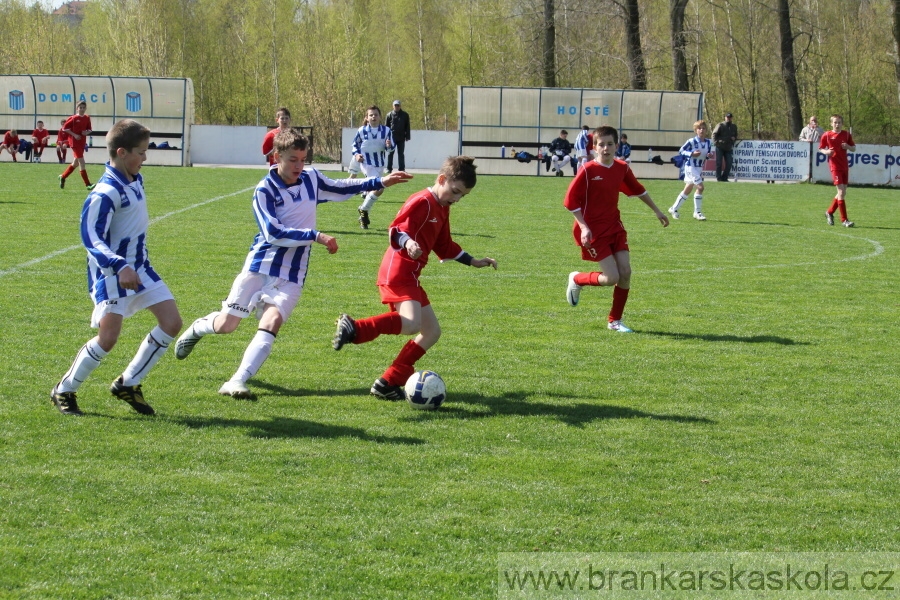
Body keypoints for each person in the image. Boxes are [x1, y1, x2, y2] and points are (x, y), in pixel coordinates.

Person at [174, 128, 413, 399]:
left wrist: (381, 181)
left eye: (303, 159)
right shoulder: (264, 190)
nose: (299, 166)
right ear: (277, 157)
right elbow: (272, 233)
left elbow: (340, 186)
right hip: (261, 265)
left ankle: (236, 381)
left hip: (294, 272)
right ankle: (197, 328)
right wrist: (315, 235)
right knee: (227, 326)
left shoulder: (310, 178)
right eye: (292, 160)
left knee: (272, 321)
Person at [332, 156, 498, 400]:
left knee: (431, 332)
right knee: (410, 323)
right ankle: (355, 328)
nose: (457, 198)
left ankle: (388, 382)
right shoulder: (422, 200)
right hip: (398, 269)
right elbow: (396, 229)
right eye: (455, 191)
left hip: (411, 274)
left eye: (462, 195)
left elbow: (444, 245)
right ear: (442, 180)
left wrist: (473, 261)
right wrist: (408, 243)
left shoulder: (442, 207)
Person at [50, 119, 182, 416]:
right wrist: (120, 265)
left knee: (172, 322)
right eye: (141, 152)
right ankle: (64, 389)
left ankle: (128, 382)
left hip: (141, 268)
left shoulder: (135, 179)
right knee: (108, 338)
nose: (145, 158)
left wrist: (133, 263)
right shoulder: (104, 192)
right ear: (121, 152)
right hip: (112, 274)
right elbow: (91, 237)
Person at [563, 125, 669, 333]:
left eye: (610, 144)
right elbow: (570, 202)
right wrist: (584, 227)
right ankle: (577, 278)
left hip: (614, 227)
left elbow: (637, 189)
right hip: (593, 231)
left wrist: (657, 211)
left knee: (626, 272)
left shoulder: (622, 168)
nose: (605, 148)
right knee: (611, 278)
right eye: (601, 144)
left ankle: (615, 321)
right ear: (594, 147)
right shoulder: (587, 171)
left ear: (617, 145)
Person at [352, 105, 394, 229]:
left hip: (379, 164)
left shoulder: (386, 131)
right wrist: (357, 155)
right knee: (379, 187)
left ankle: (363, 213)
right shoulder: (362, 131)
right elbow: (355, 145)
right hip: (367, 163)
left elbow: (391, 149)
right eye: (371, 115)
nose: (373, 117)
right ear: (367, 117)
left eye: (376, 114)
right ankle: (364, 209)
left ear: (380, 117)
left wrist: (389, 145)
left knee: (375, 189)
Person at [668, 120, 714, 221]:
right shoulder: (691, 141)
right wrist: (691, 153)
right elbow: (681, 151)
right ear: (696, 130)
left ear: (706, 130)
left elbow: (707, 155)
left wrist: (708, 155)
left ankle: (673, 208)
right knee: (700, 187)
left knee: (688, 189)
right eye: (699, 128)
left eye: (703, 128)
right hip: (691, 167)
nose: (702, 130)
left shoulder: (708, 142)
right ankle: (697, 212)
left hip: (699, 168)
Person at [818, 114, 856, 228]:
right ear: (831, 123)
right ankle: (844, 220)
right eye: (835, 122)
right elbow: (820, 148)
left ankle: (829, 212)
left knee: (843, 193)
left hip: (844, 166)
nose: (837, 124)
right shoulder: (827, 135)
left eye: (839, 122)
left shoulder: (846, 134)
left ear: (842, 124)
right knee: (840, 192)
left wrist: (847, 147)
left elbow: (854, 148)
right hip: (835, 167)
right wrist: (827, 152)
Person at [59, 101, 95, 190]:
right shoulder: (73, 118)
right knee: (82, 162)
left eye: (83, 107)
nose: (82, 109)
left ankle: (63, 177)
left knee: (75, 163)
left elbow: (89, 129)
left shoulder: (87, 117)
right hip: (74, 143)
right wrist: (74, 135)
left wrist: (86, 132)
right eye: (80, 107)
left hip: (82, 142)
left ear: (85, 108)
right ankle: (87, 184)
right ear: (77, 108)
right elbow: (64, 128)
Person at [385, 100, 411, 172]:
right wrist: (386, 137)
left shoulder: (405, 115)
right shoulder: (389, 115)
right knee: (390, 153)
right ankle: (389, 168)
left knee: (401, 154)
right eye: (395, 105)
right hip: (391, 138)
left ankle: (402, 169)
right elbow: (386, 127)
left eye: (398, 105)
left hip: (401, 137)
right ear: (393, 106)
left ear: (400, 106)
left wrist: (407, 136)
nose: (396, 107)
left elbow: (407, 126)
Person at [712, 112, 738, 181]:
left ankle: (724, 177)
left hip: (728, 147)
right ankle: (719, 177)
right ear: (725, 117)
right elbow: (714, 134)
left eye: (730, 117)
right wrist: (716, 143)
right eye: (727, 117)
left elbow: (735, 135)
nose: (728, 118)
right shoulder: (720, 125)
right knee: (719, 163)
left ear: (732, 118)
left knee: (729, 163)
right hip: (720, 146)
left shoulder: (734, 126)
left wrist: (734, 139)